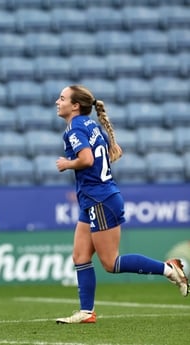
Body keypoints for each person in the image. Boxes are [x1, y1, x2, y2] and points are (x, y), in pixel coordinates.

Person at [54, 84, 189, 324]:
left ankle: (169, 269)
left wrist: (67, 163)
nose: (57, 101)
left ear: (75, 105)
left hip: (100, 200)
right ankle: (87, 312)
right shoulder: (91, 124)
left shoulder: (75, 128)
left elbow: (85, 158)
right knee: (80, 256)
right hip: (95, 198)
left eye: (62, 98)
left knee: (111, 263)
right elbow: (115, 151)